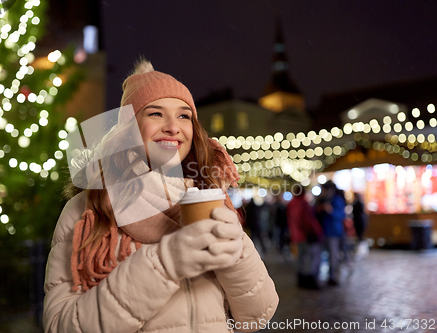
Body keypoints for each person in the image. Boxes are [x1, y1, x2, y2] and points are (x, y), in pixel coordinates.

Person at [43, 59, 279, 332]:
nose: (173, 126)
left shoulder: (210, 196)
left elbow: (258, 317)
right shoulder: (88, 210)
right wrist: (166, 262)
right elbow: (61, 326)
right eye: (155, 113)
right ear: (128, 128)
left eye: (183, 115)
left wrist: (236, 250)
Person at [286, 188, 323, 289]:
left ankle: (300, 279)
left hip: (295, 236)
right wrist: (317, 232)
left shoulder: (291, 204)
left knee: (299, 258)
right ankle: (309, 279)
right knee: (309, 258)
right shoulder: (303, 204)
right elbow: (308, 221)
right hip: (305, 236)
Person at [316, 180, 345, 286]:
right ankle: (327, 276)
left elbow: (341, 215)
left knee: (333, 255)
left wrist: (330, 210)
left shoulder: (337, 200)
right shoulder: (322, 200)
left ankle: (333, 277)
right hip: (324, 231)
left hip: (334, 232)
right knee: (325, 255)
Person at [352, 192, 369, 260]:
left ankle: (361, 250)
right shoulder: (358, 203)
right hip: (359, 222)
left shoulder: (357, 204)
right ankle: (361, 250)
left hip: (359, 222)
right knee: (359, 236)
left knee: (360, 236)